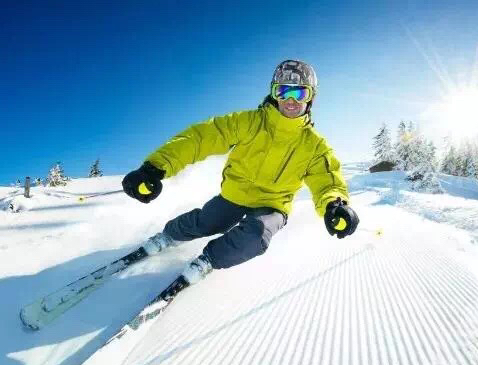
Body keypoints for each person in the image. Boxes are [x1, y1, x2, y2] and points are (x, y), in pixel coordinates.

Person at [122, 60, 359, 285]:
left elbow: (327, 181)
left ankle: (208, 260)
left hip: (273, 204)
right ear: (273, 93)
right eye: (283, 91)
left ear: (311, 98)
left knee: (256, 237)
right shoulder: (249, 122)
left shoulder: (315, 146)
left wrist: (334, 205)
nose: (290, 100)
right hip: (235, 195)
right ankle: (168, 237)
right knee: (206, 222)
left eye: (300, 93)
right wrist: (154, 167)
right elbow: (200, 139)